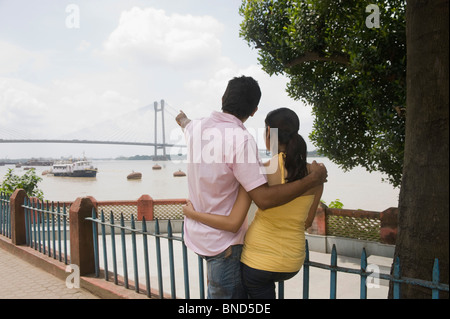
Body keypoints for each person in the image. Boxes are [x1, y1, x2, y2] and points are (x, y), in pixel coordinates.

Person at [176, 76, 327, 299]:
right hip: (265, 254)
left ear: (223, 98)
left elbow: (185, 124)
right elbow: (288, 212)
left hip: (207, 240)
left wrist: (182, 118)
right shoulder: (243, 141)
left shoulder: (197, 127)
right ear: (254, 110)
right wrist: (311, 180)